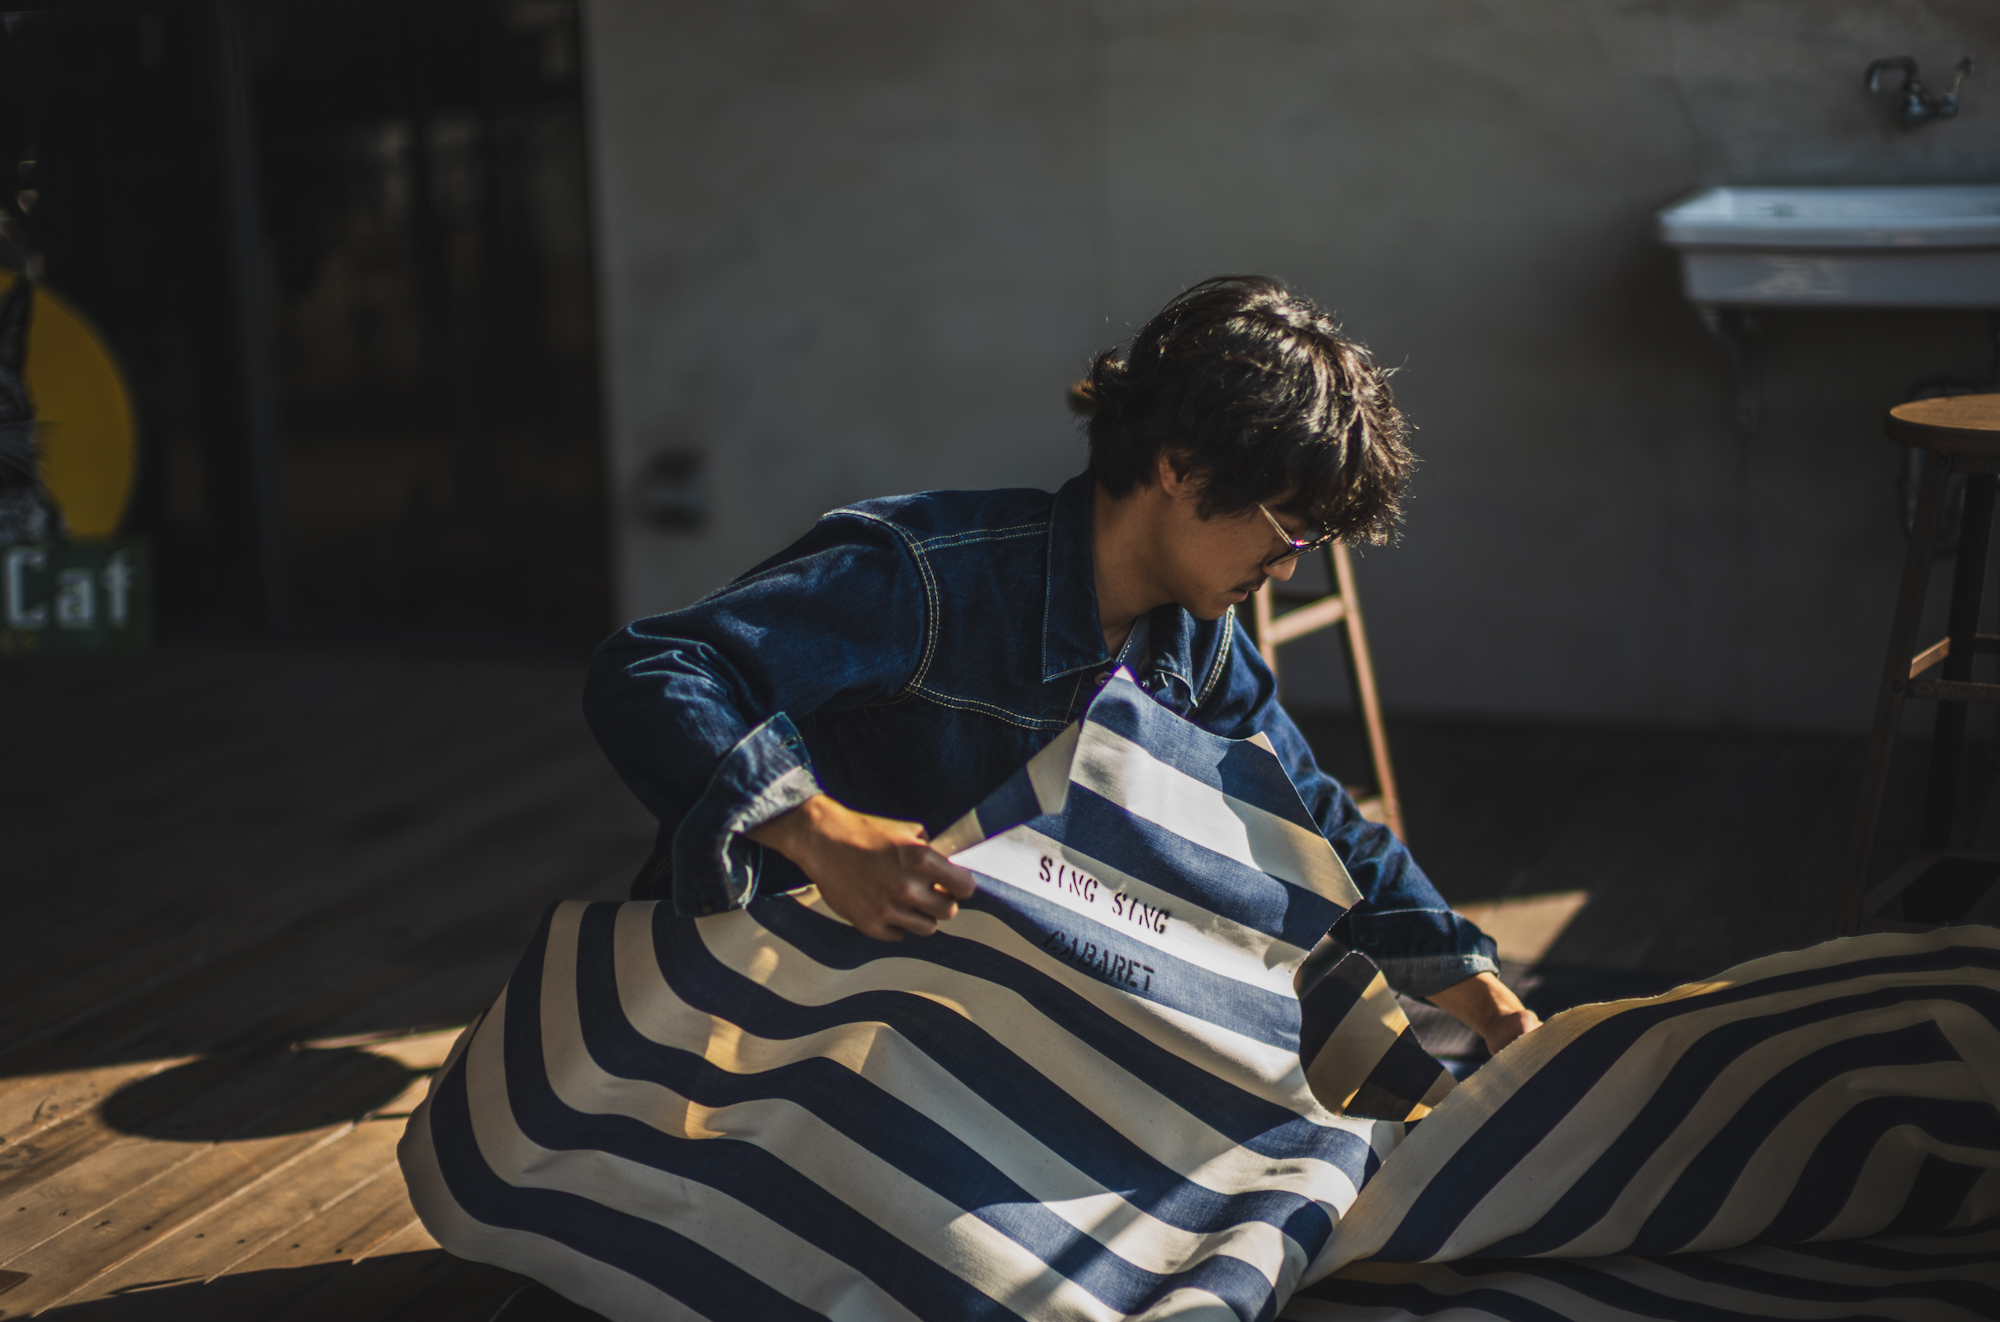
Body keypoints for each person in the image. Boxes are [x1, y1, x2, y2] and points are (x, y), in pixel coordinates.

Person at [584, 275, 1540, 1055]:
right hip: (749, 1011)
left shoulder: (1198, 650)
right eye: (1287, 527)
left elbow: (1314, 824)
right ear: (1179, 466)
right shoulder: (931, 577)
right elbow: (656, 666)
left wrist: (1491, 1008)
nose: (1290, 566)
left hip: (943, 1023)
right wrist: (817, 833)